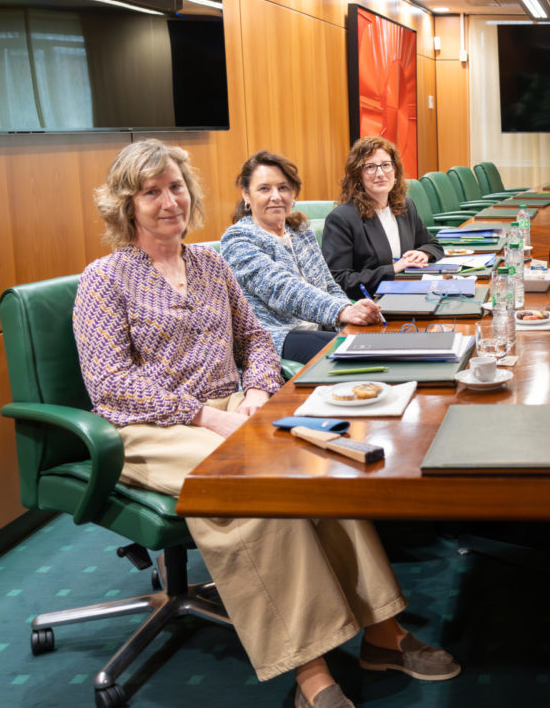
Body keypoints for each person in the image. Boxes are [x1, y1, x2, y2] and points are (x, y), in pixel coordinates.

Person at [73, 140, 459, 708]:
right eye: (151, 192)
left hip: (230, 405)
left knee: (320, 468)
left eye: (176, 187)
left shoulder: (209, 265)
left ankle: (382, 631)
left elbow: (254, 338)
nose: (169, 201)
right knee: (253, 492)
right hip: (149, 426)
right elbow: (111, 383)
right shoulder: (104, 279)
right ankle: (311, 672)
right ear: (126, 205)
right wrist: (206, 416)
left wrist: (255, 392)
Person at [221, 150, 382, 363]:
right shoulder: (237, 239)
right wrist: (342, 311)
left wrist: (353, 314)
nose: (276, 196)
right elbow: (282, 288)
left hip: (319, 328)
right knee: (366, 354)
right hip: (275, 337)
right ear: (246, 195)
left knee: (380, 341)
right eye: (264, 189)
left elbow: (329, 286)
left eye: (283, 188)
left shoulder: (300, 231)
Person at [322, 136, 444, 299]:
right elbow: (338, 281)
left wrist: (424, 253)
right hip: (373, 302)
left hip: (410, 292)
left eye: (386, 165)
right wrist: (393, 269)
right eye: (370, 167)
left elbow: (432, 245)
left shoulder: (405, 206)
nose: (380, 174)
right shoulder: (341, 218)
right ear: (358, 175)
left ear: (395, 170)